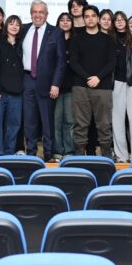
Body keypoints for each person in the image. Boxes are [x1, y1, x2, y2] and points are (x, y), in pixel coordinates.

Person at [21, 0, 67, 161]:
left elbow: (61, 62)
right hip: (26, 80)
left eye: (41, 12)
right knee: (29, 121)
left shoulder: (56, 32)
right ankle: (31, 153)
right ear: (30, 14)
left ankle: (48, 154)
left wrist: (56, 84)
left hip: (47, 83)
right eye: (35, 12)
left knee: (47, 121)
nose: (37, 15)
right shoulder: (23, 29)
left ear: (46, 14)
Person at [70, 5, 116, 158]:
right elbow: (73, 62)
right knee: (80, 123)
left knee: (104, 123)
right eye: (87, 16)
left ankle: (106, 153)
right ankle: (79, 154)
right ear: (83, 19)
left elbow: (112, 62)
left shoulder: (108, 39)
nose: (90, 19)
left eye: (93, 16)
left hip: (103, 86)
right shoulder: (77, 38)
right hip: (80, 86)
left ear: (98, 18)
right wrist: (88, 77)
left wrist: (98, 77)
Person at [110, 11, 132, 162]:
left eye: (122, 19)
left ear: (126, 21)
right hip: (115, 83)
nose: (119, 22)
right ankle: (121, 155)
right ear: (113, 23)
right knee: (117, 120)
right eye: (116, 20)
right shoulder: (109, 40)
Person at [0, 15, 24, 157]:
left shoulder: (22, 44)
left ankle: (9, 153)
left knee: (14, 124)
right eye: (11, 24)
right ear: (6, 26)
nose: (14, 27)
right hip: (0, 91)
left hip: (17, 91)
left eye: (17, 24)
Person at [52, 12, 75, 160]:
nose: (65, 22)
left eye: (68, 20)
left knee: (70, 120)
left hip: (72, 85)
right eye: (62, 20)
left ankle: (69, 150)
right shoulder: (52, 39)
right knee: (56, 120)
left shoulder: (76, 40)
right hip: (56, 86)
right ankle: (57, 150)